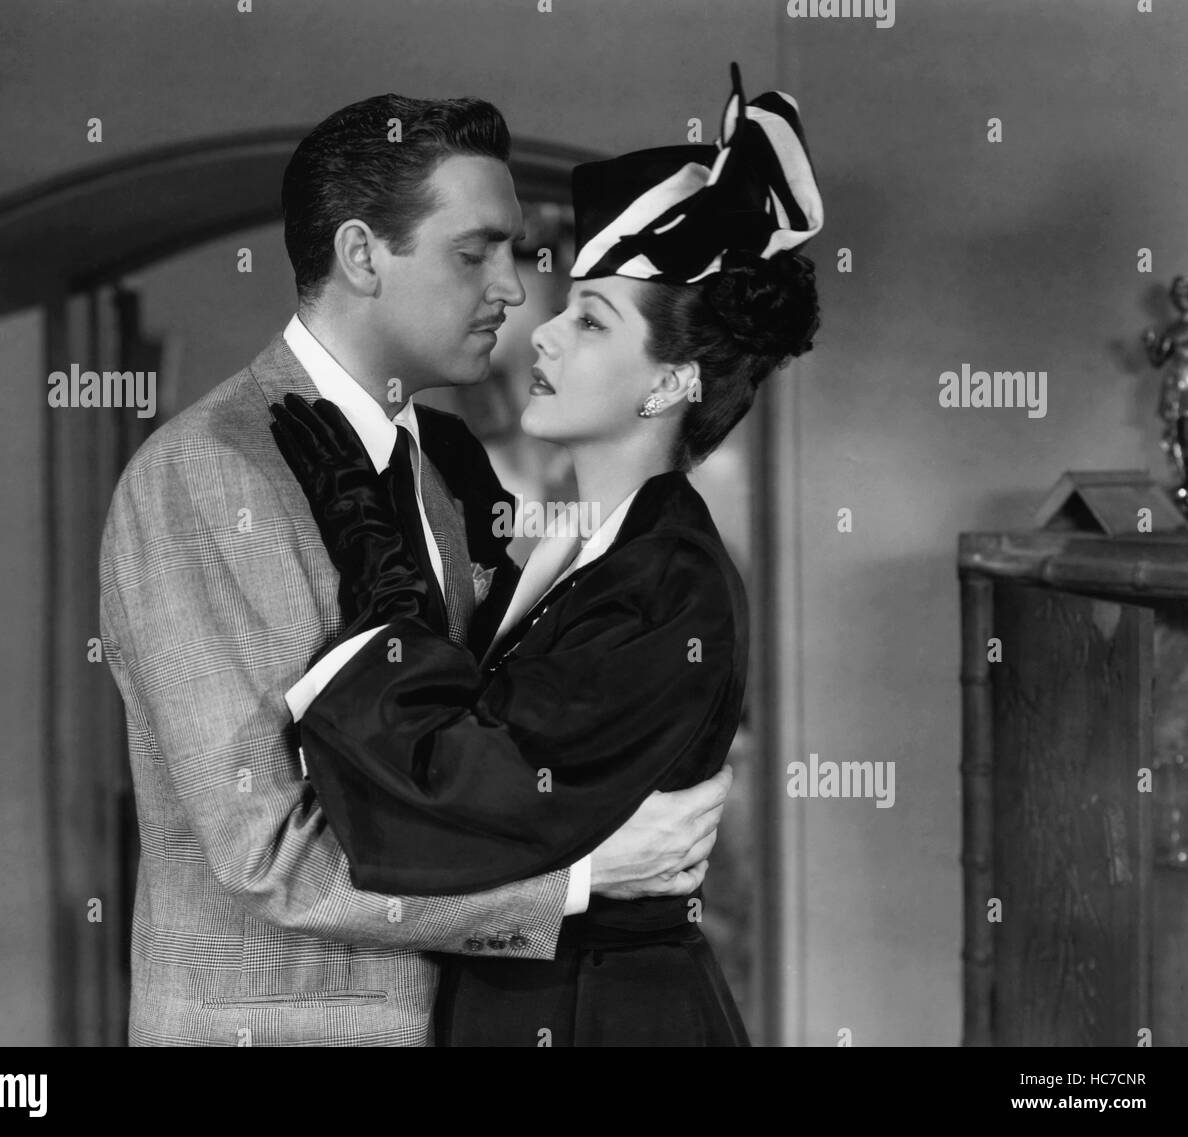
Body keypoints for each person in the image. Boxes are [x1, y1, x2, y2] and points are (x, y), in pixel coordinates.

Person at [98, 90, 731, 1047]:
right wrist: (583, 877)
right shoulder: (204, 472)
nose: (514, 291)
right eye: (474, 253)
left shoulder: (433, 470)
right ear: (361, 256)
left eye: (512, 253)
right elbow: (273, 852)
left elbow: (453, 770)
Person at [272, 62, 823, 1046]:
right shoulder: (578, 543)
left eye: (591, 319)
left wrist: (381, 580)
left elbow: (449, 806)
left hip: (600, 1012)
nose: (546, 338)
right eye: (566, 306)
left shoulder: (669, 583)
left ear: (668, 385)